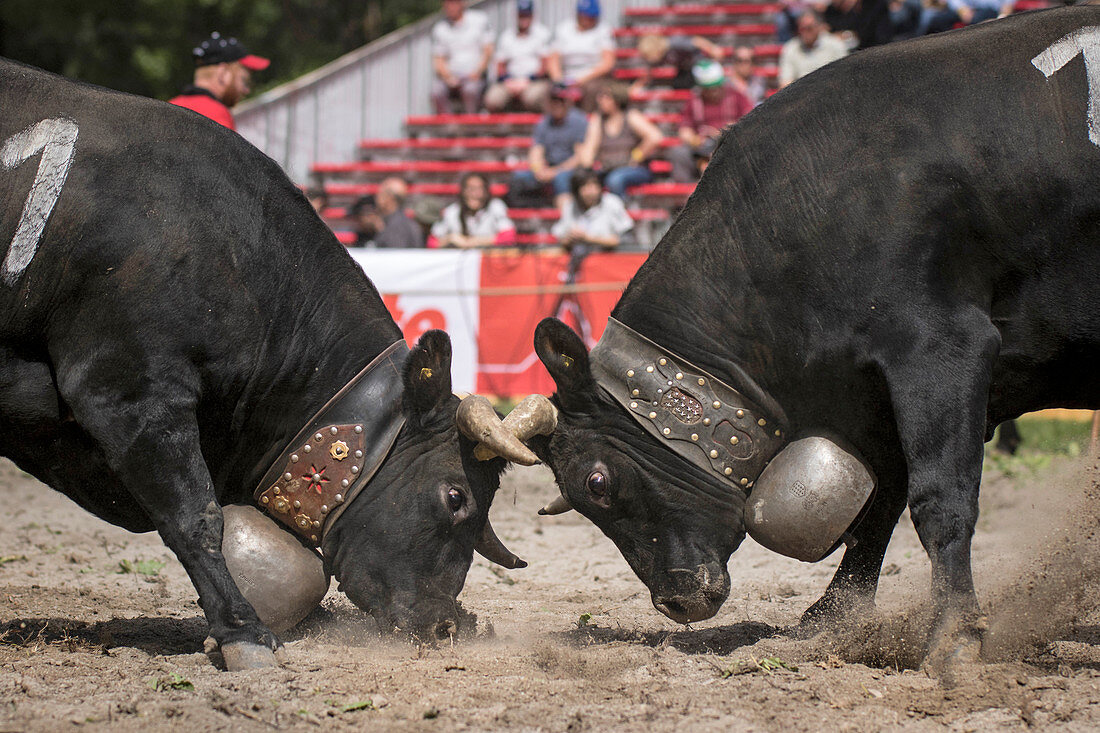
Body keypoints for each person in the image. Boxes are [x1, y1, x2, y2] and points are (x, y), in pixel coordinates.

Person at [668, 60, 753, 183]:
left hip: (730, 145)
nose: (714, 91)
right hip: (701, 147)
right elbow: (684, 129)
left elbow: (750, 123)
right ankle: (685, 195)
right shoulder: (694, 101)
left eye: (716, 87)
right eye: (709, 89)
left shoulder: (737, 96)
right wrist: (694, 140)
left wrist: (726, 132)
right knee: (678, 153)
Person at [507, 83, 589, 208]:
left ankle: (565, 220)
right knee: (518, 178)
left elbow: (580, 157)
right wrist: (538, 169)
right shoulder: (544, 123)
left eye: (560, 100)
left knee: (561, 179)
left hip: (569, 170)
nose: (557, 104)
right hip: (548, 168)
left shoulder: (579, 121)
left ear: (567, 101)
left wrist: (555, 172)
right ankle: (530, 216)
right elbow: (536, 151)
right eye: (554, 100)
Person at [168, 32, 269, 131]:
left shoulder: (169, 107)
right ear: (223, 73)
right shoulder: (218, 117)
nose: (246, 90)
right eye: (244, 80)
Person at [578, 82, 663, 199]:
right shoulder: (598, 119)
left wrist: (636, 156)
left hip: (634, 169)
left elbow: (655, 137)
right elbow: (590, 147)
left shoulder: (630, 116)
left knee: (615, 180)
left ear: (617, 99)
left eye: (605, 96)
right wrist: (587, 170)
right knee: (579, 179)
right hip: (608, 168)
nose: (600, 100)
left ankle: (620, 213)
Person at [484, 0, 552, 112]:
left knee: (531, 97)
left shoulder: (542, 34)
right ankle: (502, 129)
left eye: (527, 15)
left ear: (532, 15)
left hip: (534, 81)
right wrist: (509, 81)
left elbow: (545, 65)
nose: (524, 18)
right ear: (516, 15)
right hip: (510, 81)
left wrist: (526, 81)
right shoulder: (507, 36)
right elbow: (500, 65)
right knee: (492, 99)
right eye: (521, 15)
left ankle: (535, 127)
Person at [546, 0, 615, 110]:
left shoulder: (603, 29)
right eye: (586, 15)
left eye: (592, 16)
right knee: (550, 90)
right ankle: (558, 123)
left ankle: (586, 122)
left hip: (591, 78)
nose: (589, 19)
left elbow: (608, 62)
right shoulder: (564, 28)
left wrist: (580, 79)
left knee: (594, 90)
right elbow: (553, 59)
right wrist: (559, 80)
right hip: (565, 76)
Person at [431, 0, 495, 114]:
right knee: (436, 91)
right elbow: (438, 60)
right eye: (447, 3)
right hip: (451, 77)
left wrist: (476, 73)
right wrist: (449, 77)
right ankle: (447, 126)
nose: (450, 6)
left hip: (475, 76)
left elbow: (488, 51)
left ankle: (470, 125)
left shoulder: (479, 19)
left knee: (470, 90)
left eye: (453, 2)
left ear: (462, 3)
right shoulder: (440, 28)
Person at [552, 168, 634, 252]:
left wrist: (588, 238)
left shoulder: (612, 202)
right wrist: (570, 239)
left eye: (594, 185)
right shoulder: (570, 206)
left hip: (610, 260)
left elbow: (624, 240)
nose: (591, 191)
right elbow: (561, 238)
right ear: (577, 190)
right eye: (585, 186)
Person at [428, 172, 517, 248]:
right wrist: (450, 239)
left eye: (479, 189)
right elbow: (432, 242)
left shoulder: (495, 207)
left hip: (488, 262)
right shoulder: (451, 211)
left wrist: (474, 241)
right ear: (463, 191)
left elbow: (509, 236)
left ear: (486, 192)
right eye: (470, 189)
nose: (474, 194)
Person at [778, 10, 849, 88]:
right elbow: (785, 83)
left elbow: (845, 77)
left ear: (819, 27)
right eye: (802, 29)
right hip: (800, 95)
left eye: (809, 28)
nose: (805, 33)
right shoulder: (790, 48)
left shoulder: (836, 45)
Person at [633, 33, 726, 91]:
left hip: (699, 64)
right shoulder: (660, 57)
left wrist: (713, 49)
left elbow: (697, 41)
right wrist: (638, 85)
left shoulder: (675, 43)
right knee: (677, 85)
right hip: (685, 70)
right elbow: (649, 73)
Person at [373, 177, 425, 248]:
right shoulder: (401, 221)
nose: (376, 198)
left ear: (389, 198)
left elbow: (395, 256)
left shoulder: (397, 227)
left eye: (380, 194)